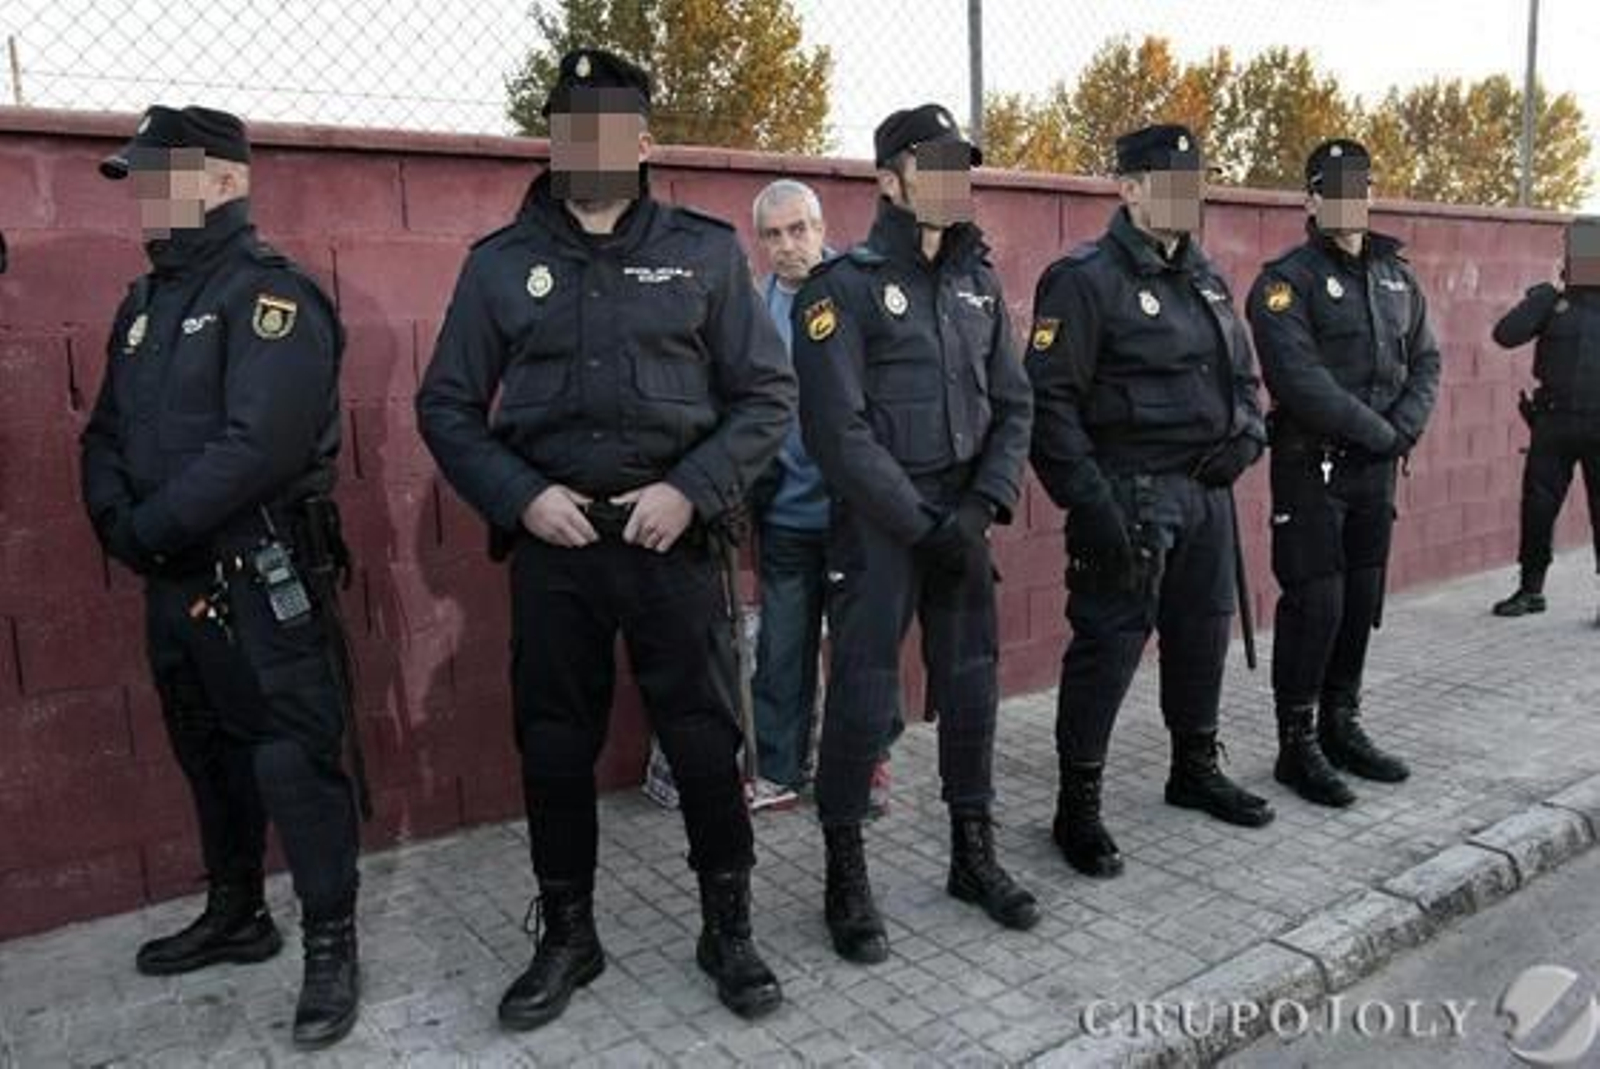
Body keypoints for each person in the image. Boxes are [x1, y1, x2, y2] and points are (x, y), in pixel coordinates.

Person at [415, 49, 793, 1029]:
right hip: (558, 545)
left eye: (608, 129)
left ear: (643, 144)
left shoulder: (704, 253)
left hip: (672, 539)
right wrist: (520, 496)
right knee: (551, 745)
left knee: (708, 743)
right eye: (568, 127)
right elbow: (448, 405)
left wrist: (691, 487)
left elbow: (766, 396)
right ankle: (569, 934)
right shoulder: (497, 265)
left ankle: (728, 926)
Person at [79, 105, 362, 1049]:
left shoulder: (269, 297)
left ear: (225, 182)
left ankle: (332, 944)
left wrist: (149, 530)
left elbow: (260, 446)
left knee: (293, 755)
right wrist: (121, 525)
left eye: (162, 176)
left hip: (255, 576)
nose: (146, 198)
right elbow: (106, 433)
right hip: (172, 581)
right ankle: (239, 913)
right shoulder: (145, 303)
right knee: (206, 748)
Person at [791, 102, 1040, 966]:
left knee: (971, 692)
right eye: (931, 166)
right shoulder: (840, 289)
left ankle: (973, 856)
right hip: (881, 528)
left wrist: (979, 508)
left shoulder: (976, 280)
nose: (951, 182)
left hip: (962, 520)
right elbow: (838, 430)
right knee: (863, 698)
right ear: (888, 180)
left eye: (958, 166)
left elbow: (1015, 402)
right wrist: (923, 522)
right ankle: (845, 873)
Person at [1027, 123, 1274, 881]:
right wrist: (1093, 508)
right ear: (1128, 189)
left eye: (1192, 182)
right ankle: (1078, 807)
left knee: (1203, 635)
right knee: (1107, 650)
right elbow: (1049, 406)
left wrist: (1248, 434)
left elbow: (1242, 376)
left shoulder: (1206, 275)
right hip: (1130, 494)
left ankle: (1192, 766)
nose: (1185, 196)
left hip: (1206, 494)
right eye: (1168, 181)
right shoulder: (1084, 279)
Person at [1246, 138, 1442, 808]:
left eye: (1357, 188)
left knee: (1361, 600)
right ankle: (1295, 743)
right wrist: (1381, 432)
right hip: (1313, 469)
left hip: (1375, 471)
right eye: (1332, 189)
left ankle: (1340, 723)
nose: (1347, 201)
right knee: (1316, 605)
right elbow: (1298, 379)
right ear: (1311, 200)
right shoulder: (1283, 282)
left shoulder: (1396, 276)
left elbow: (1428, 359)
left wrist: (1402, 430)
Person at [1489, 215, 1600, 625]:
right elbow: (1505, 335)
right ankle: (1531, 589)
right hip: (1552, 424)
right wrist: (1550, 291)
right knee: (1537, 508)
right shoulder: (1550, 300)